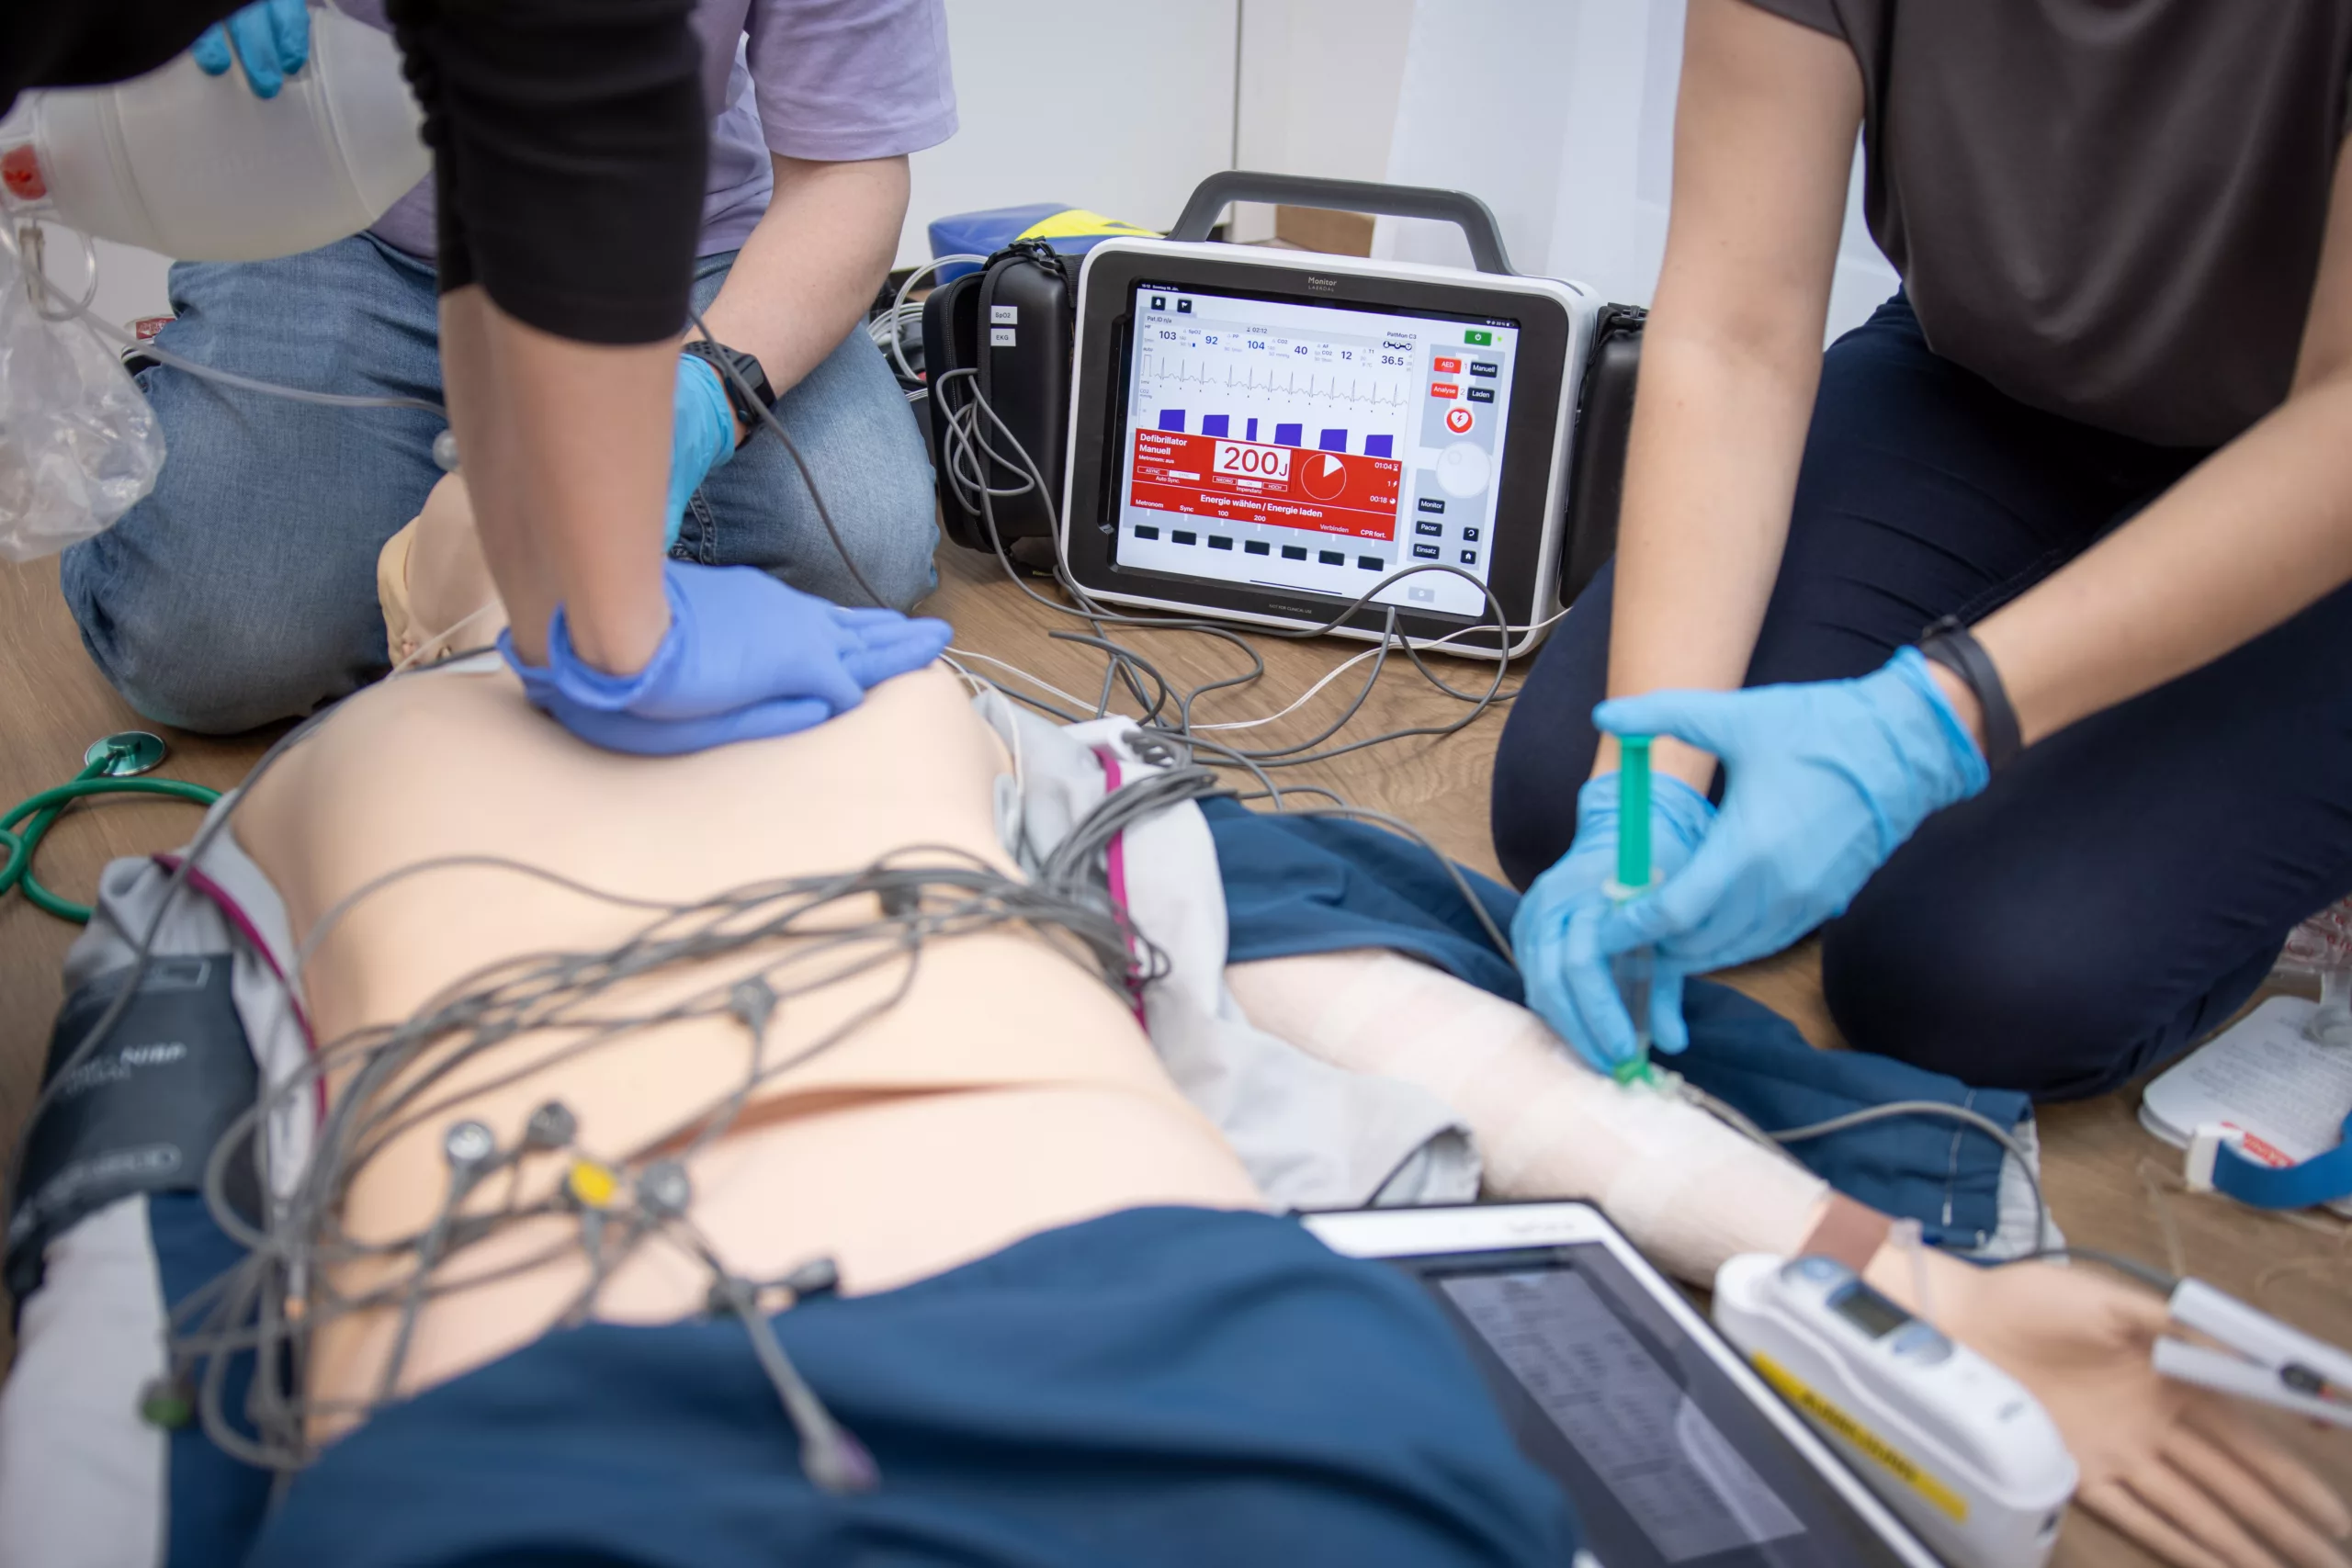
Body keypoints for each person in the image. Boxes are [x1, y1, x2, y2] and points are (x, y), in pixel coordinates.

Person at [2, 582, 2335, 1563]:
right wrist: (1876, 1260)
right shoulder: (908, 712)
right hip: (1231, 1397)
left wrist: (1898, 1277)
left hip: (568, 1426)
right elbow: (1402, 1035)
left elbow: (1425, 1036)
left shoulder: (924, 725)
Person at [1494, 0, 2352, 1099]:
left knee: (1968, 979)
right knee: (1576, 798)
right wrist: (1641, 799)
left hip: (2312, 459)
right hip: (1987, 386)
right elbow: (1734, 330)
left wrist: (1928, 723)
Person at [15, 0, 951, 756]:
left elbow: (840, 174)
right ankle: (200, 447)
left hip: (661, 235)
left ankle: (407, 521)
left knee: (856, 547)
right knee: (216, 638)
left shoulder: (565, 76)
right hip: (323, 212)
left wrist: (704, 395)